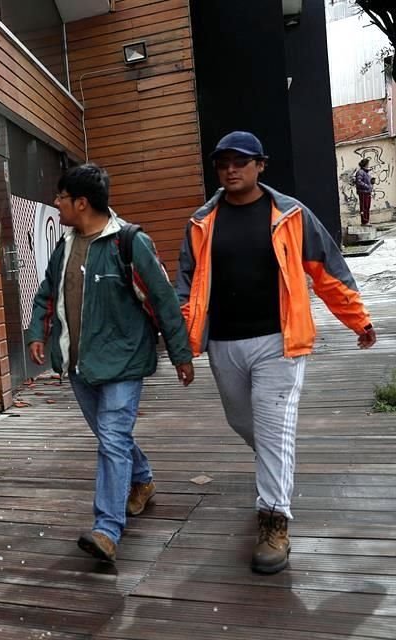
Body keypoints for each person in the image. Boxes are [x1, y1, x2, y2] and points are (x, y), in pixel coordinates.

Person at [177, 131, 377, 575]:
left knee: (271, 427)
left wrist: (358, 319)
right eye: (223, 162)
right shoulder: (201, 222)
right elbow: (186, 290)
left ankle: (274, 519)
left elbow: (328, 271)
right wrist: (182, 348)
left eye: (241, 162)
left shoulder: (291, 215)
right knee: (243, 421)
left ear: (260, 165)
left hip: (279, 342)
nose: (231, 169)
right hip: (224, 343)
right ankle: (275, 456)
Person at [26, 163, 194, 564]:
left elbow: (163, 300)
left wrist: (180, 353)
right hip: (80, 365)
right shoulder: (65, 245)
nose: (56, 203)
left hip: (124, 361)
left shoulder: (130, 243)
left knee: (112, 437)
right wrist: (37, 332)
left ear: (80, 203)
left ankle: (107, 528)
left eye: (61, 198)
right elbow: (47, 294)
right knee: (110, 437)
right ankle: (143, 481)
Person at [355, 157, 374, 225]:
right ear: (365, 164)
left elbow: (367, 181)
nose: (368, 165)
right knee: (364, 207)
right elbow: (359, 182)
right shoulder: (360, 172)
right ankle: (364, 221)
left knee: (367, 207)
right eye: (368, 164)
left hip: (367, 192)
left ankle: (367, 220)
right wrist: (367, 186)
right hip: (363, 192)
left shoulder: (366, 172)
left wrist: (371, 183)